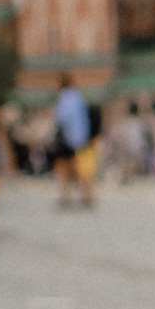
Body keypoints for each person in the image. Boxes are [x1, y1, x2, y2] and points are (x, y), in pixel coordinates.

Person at [52, 74, 94, 208]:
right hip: (80, 138)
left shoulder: (65, 97)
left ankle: (66, 195)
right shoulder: (78, 97)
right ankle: (87, 194)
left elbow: (61, 119)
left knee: (66, 167)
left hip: (67, 138)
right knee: (77, 167)